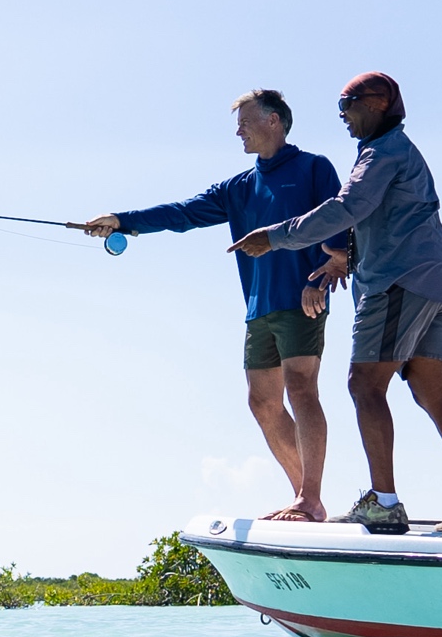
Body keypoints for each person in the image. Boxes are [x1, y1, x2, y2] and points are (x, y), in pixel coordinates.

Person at [233, 70, 442, 536]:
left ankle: (384, 503)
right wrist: (343, 258)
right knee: (433, 395)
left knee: (364, 384)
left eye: (347, 106)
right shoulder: (394, 153)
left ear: (376, 103)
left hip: (398, 284)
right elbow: (377, 220)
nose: (343, 117)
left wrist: (274, 238)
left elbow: (345, 208)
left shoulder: (382, 152)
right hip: (433, 285)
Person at [84, 90, 354, 520]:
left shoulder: (314, 168)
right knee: (262, 402)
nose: (238, 130)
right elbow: (184, 213)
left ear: (274, 122)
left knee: (302, 388)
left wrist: (325, 273)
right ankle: (307, 500)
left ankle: (310, 497)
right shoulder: (238, 188)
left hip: (301, 297)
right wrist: (124, 221)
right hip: (258, 308)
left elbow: (340, 220)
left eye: (245, 121)